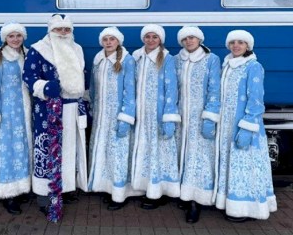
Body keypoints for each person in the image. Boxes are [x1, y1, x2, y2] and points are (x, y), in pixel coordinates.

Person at [23, 14, 87, 222]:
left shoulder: (77, 49)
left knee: (69, 149)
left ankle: (64, 188)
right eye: (58, 29)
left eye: (66, 29)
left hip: (72, 108)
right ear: (51, 30)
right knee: (48, 149)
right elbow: (28, 77)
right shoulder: (38, 49)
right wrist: (43, 87)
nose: (62, 33)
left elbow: (82, 77)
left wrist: (83, 103)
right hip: (49, 108)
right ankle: (44, 194)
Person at [215, 30, 277, 222]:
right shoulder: (227, 66)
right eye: (233, 42)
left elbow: (256, 100)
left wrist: (247, 127)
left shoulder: (253, 66)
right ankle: (233, 204)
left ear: (247, 46)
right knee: (233, 167)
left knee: (247, 168)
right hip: (227, 126)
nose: (236, 46)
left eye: (241, 43)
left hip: (244, 127)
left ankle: (249, 208)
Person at [174, 26, 221, 223]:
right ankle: (184, 195)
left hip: (200, 117)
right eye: (185, 39)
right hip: (181, 116)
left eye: (192, 38)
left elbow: (214, 89)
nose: (189, 41)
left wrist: (209, 117)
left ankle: (196, 202)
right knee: (181, 156)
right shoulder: (177, 59)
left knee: (198, 158)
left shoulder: (211, 59)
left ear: (199, 39)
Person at [131, 24, 181, 209]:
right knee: (144, 152)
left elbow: (172, 90)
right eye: (148, 36)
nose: (151, 40)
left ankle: (159, 192)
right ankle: (145, 187)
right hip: (141, 115)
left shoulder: (167, 58)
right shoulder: (137, 57)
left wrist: (169, 117)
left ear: (161, 40)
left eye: (155, 37)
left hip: (158, 115)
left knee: (158, 153)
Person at [88, 27, 136, 211]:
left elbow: (130, 90)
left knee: (117, 154)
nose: (108, 42)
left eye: (112, 39)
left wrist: (125, 117)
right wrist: (92, 106)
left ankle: (119, 194)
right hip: (101, 116)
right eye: (105, 39)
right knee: (103, 150)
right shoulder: (98, 60)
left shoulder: (127, 60)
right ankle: (104, 186)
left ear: (118, 42)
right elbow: (93, 87)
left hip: (117, 116)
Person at [0, 22, 32, 215]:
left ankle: (22, 187)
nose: (15, 39)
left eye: (18, 36)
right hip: (8, 114)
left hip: (26, 113)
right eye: (11, 36)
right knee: (9, 152)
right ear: (5, 38)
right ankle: (8, 194)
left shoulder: (29, 55)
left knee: (24, 150)